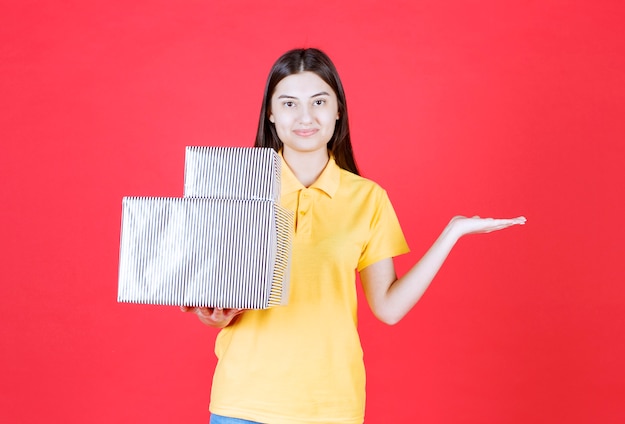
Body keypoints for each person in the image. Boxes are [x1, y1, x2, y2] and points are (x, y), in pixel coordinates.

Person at [182, 48, 526, 424]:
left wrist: (452, 233)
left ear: (338, 110)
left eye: (318, 101)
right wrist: (213, 314)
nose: (305, 117)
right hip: (244, 402)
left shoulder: (368, 199)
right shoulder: (235, 188)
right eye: (289, 103)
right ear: (271, 113)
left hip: (332, 406)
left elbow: (389, 308)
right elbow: (215, 305)